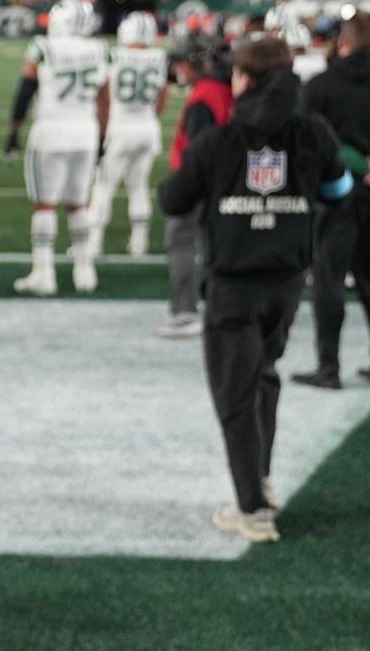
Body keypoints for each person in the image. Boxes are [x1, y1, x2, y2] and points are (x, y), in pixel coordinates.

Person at [158, 37, 351, 543]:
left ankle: (251, 509)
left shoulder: (220, 141)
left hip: (233, 285)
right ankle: (260, 484)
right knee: (263, 377)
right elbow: (339, 190)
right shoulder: (314, 132)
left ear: (244, 79)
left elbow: (174, 200)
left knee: (234, 395)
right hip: (287, 281)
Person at [5, 0, 108, 296]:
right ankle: (85, 271)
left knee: (45, 204)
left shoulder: (42, 46)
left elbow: (25, 91)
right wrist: (101, 136)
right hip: (85, 132)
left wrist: (13, 132)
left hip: (50, 131)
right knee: (79, 203)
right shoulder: (100, 49)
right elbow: (105, 99)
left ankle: (44, 272)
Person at [291, 12, 370, 389]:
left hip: (336, 194)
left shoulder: (321, 85)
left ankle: (329, 365)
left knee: (330, 280)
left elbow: (306, 141)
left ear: (344, 42)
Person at [157, 38, 233, 337]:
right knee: (212, 243)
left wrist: (183, 186)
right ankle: (220, 307)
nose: (177, 69)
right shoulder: (226, 87)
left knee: (180, 241)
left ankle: (185, 312)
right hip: (223, 178)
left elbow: (199, 149)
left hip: (199, 181)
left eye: (181, 63)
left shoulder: (205, 94)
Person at [86, 12, 168, 264]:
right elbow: (163, 96)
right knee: (139, 185)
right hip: (147, 127)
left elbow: (103, 95)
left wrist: (102, 128)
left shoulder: (113, 55)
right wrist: (146, 115)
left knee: (104, 186)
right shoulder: (159, 56)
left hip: (119, 127)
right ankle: (139, 242)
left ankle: (94, 242)